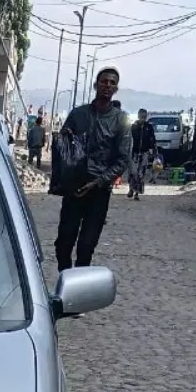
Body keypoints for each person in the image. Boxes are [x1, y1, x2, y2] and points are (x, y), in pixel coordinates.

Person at [51, 66, 130, 273]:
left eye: (112, 83)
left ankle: (78, 289)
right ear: (96, 84)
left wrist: (98, 182)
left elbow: (123, 159)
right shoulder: (78, 115)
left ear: (116, 89)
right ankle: (64, 279)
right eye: (104, 81)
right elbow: (63, 148)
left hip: (98, 191)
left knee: (86, 246)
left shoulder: (120, 120)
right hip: (74, 189)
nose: (107, 86)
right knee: (64, 243)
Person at [128, 108, 157, 199]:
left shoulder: (149, 127)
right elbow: (128, 139)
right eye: (141, 116)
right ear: (138, 116)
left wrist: (153, 150)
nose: (142, 118)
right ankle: (131, 189)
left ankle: (137, 193)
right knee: (133, 172)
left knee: (141, 173)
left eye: (144, 116)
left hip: (145, 152)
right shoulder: (133, 126)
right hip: (134, 152)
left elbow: (152, 139)